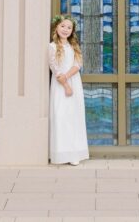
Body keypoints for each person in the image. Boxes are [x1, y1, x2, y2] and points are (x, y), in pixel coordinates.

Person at [48, 14, 89, 166]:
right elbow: (55, 68)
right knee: (61, 116)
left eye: (69, 28)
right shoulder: (52, 47)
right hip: (60, 86)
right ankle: (60, 153)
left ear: (72, 31)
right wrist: (65, 85)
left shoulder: (73, 47)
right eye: (63, 26)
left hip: (73, 82)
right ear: (56, 27)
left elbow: (78, 64)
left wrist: (68, 78)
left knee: (73, 117)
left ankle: (74, 153)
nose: (65, 30)